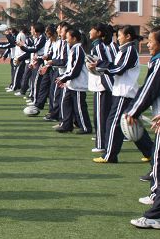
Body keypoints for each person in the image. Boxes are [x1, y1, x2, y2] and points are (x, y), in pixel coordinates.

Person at [89, 26, 153, 163]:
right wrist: (99, 66)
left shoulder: (130, 50)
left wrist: (100, 64)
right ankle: (150, 152)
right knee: (131, 122)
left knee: (113, 124)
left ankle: (110, 156)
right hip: (122, 92)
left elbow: (119, 69)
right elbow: (115, 67)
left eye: (119, 35)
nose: (118, 38)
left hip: (125, 93)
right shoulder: (123, 50)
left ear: (128, 36)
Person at [124, 27, 160, 205]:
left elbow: (150, 89)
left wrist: (134, 111)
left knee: (159, 159)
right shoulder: (157, 60)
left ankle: (157, 198)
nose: (147, 44)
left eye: (151, 41)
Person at [54, 28, 92, 134]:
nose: (66, 39)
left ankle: (86, 127)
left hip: (78, 84)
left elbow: (76, 70)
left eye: (68, 37)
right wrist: (64, 78)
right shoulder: (73, 49)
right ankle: (67, 125)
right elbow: (70, 68)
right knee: (66, 104)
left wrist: (64, 78)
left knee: (79, 107)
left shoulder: (78, 49)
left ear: (74, 38)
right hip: (71, 83)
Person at [88, 23, 114, 154]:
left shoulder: (98, 46)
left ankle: (101, 144)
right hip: (101, 85)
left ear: (98, 33)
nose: (89, 32)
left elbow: (104, 64)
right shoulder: (98, 45)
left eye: (92, 29)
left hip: (102, 86)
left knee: (100, 117)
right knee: (103, 116)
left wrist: (94, 67)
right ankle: (103, 140)